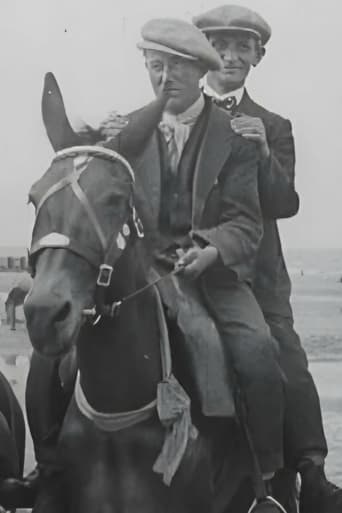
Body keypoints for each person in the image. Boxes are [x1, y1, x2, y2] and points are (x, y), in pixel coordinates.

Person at [8, 17, 286, 508]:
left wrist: (212, 250)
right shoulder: (126, 131)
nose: (165, 78)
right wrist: (96, 139)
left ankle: (264, 483)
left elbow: (247, 224)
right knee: (50, 356)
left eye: (177, 69)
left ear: (201, 70)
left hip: (211, 273)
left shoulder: (238, 137)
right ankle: (49, 465)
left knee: (258, 350)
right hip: (140, 270)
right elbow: (88, 179)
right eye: (156, 66)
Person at [193, 5, 342, 512]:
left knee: (287, 358)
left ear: (259, 55)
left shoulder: (274, 125)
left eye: (242, 47)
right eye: (219, 44)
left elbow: (285, 204)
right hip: (193, 269)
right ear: (201, 52)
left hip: (259, 275)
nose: (230, 56)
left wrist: (262, 154)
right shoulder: (181, 115)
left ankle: (309, 472)